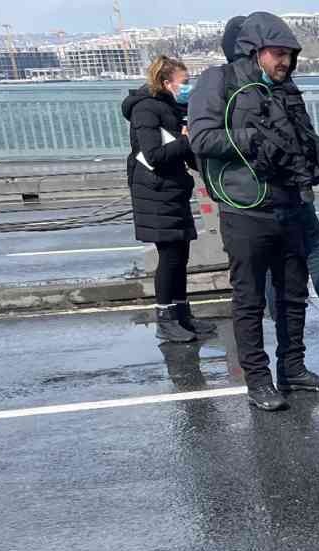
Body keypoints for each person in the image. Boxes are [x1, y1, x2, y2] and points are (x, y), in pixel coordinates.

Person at [188, 12, 319, 413]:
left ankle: (294, 369)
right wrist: (253, 139)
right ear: (255, 50)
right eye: (277, 53)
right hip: (245, 208)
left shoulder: (287, 89)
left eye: (289, 54)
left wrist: (316, 160)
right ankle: (257, 379)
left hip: (291, 204)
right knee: (250, 298)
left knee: (293, 295)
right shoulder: (217, 81)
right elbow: (201, 138)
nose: (284, 62)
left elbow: (302, 138)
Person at [218, 15, 319, 350]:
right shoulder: (279, 85)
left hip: (263, 193)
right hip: (287, 188)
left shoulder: (232, 87)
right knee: (311, 251)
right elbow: (301, 130)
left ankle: (288, 325)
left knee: (281, 262)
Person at [123, 56, 216, 344]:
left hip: (173, 189)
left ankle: (181, 313)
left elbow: (185, 150)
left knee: (181, 254)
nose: (188, 88)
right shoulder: (146, 109)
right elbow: (153, 154)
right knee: (170, 256)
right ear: (166, 82)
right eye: (184, 82)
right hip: (154, 190)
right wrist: (187, 140)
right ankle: (165, 318)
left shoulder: (172, 107)